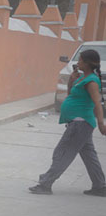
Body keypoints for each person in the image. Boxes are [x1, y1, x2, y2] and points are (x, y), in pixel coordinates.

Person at [30, 49, 106, 195]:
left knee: (63, 152)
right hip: (80, 123)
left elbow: (97, 103)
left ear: (88, 63)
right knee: (89, 155)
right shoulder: (82, 78)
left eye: (81, 60)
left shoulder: (91, 81)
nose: (78, 62)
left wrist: (101, 125)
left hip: (80, 123)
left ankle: (45, 184)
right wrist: (71, 80)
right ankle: (100, 186)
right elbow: (71, 95)